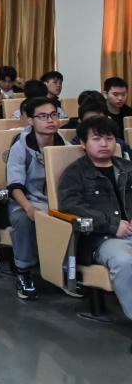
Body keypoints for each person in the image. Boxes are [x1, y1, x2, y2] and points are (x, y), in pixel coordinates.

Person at [57, 116, 132, 321]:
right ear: (83, 143)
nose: (104, 144)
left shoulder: (127, 167)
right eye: (97, 139)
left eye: (109, 138)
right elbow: (71, 206)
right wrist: (111, 225)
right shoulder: (75, 173)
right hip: (101, 239)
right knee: (124, 261)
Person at [7, 96, 68, 300]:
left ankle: (65, 271)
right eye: (43, 116)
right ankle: (23, 271)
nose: (50, 120)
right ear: (30, 120)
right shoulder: (20, 146)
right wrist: (29, 207)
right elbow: (14, 186)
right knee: (23, 219)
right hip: (25, 199)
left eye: (53, 115)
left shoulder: (65, 145)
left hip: (57, 201)